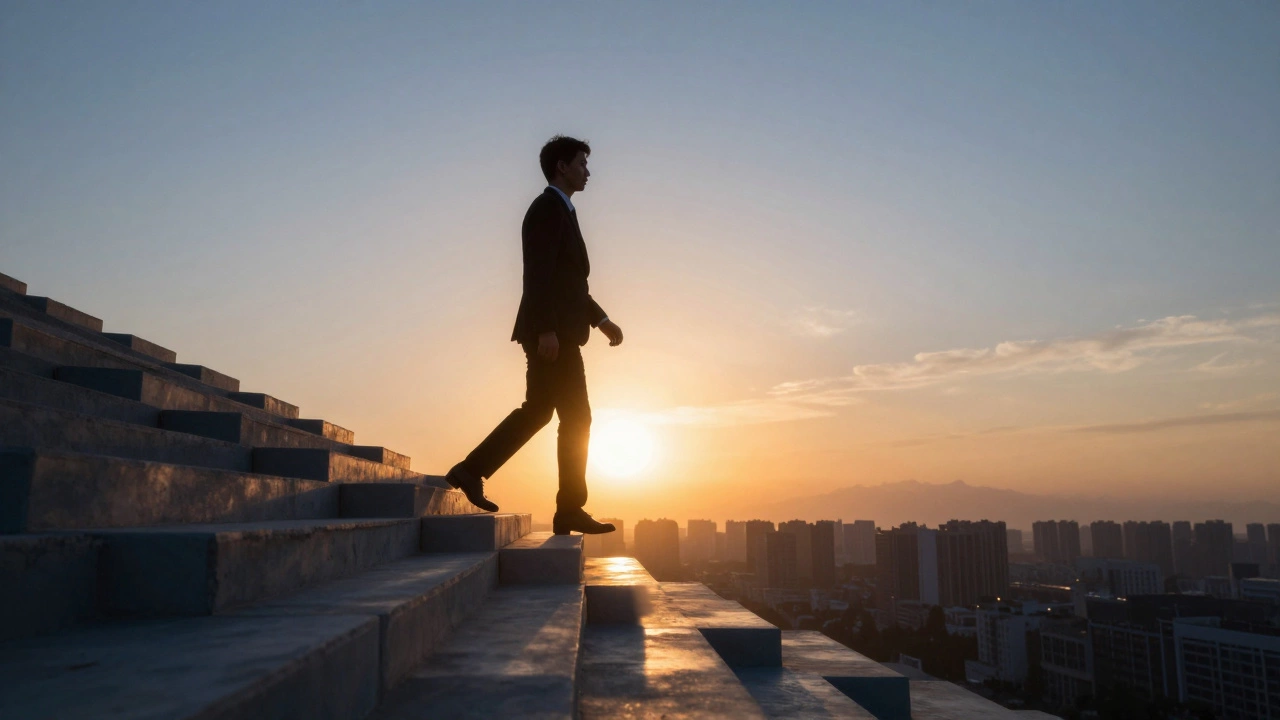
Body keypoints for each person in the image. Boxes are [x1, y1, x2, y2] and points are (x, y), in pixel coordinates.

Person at [445, 135, 621, 536]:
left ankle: (471, 470)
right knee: (577, 416)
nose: (588, 172)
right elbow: (537, 274)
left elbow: (570, 283)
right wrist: (545, 329)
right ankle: (569, 509)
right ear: (562, 166)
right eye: (582, 164)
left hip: (558, 329)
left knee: (540, 410)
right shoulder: (546, 209)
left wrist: (601, 319)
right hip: (552, 333)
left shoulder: (563, 211)